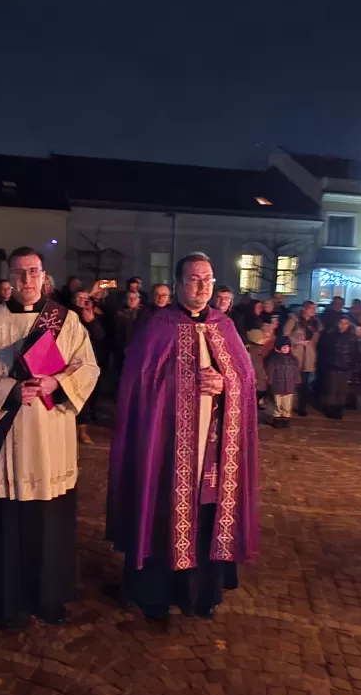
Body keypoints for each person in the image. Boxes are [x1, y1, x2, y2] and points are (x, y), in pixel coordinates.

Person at [107, 252, 259, 621]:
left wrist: (226, 383)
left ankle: (201, 595)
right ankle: (156, 596)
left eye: (208, 278)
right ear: (178, 284)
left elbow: (247, 380)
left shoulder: (225, 326)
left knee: (206, 520)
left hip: (213, 453)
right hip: (167, 452)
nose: (203, 286)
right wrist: (186, 383)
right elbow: (141, 385)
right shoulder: (158, 327)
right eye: (194, 279)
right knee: (163, 518)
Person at [0, 247, 99, 628]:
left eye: (32, 272)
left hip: (53, 436)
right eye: (18, 273)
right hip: (12, 436)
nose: (26, 280)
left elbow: (88, 367)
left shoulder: (65, 321)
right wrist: (10, 390)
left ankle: (49, 597)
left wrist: (58, 381)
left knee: (51, 521)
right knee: (12, 518)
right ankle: (10, 600)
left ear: (44, 275)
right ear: (9, 278)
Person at [70, 288, 106, 444]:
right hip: (70, 360)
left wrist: (92, 322)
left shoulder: (96, 315)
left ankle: (83, 430)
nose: (82, 301)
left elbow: (101, 337)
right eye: (79, 297)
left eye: (85, 298)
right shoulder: (67, 315)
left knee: (87, 397)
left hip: (90, 360)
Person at [283, 301, 321, 416]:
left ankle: (302, 406)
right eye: (311, 308)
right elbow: (285, 334)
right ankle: (287, 406)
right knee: (293, 381)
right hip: (296, 353)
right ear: (305, 309)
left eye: (315, 309)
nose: (313, 311)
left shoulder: (315, 323)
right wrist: (297, 342)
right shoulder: (294, 320)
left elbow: (316, 338)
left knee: (305, 382)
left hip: (309, 354)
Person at [319, 316, 358, 420]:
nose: (343, 325)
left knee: (342, 390)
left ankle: (339, 409)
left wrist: (352, 366)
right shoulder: (331, 334)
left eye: (346, 323)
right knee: (332, 388)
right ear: (338, 323)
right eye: (341, 322)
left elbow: (355, 353)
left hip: (346, 367)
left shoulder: (352, 336)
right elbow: (325, 349)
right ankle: (330, 409)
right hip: (333, 366)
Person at [265, 336, 302, 428]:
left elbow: (296, 372)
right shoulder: (273, 359)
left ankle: (285, 420)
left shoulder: (293, 359)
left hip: (289, 385)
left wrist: (297, 381)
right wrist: (270, 383)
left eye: (287, 347)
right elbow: (270, 372)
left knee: (287, 404)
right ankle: (277, 420)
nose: (286, 349)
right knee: (278, 404)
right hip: (278, 385)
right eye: (283, 347)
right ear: (278, 348)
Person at [112, 289, 142, 375]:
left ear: (138, 300)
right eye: (129, 298)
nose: (132, 300)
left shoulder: (143, 314)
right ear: (125, 300)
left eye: (134, 298)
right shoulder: (118, 313)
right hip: (122, 349)